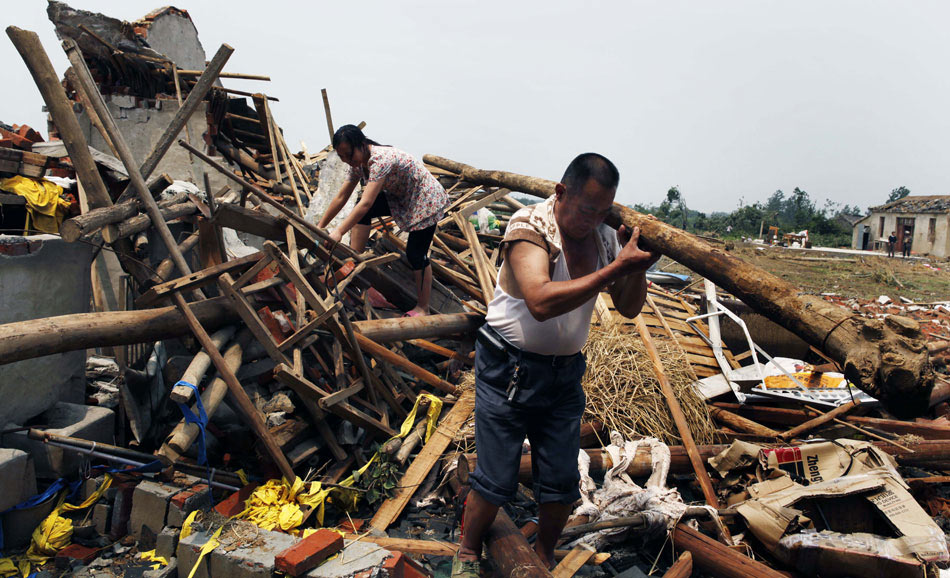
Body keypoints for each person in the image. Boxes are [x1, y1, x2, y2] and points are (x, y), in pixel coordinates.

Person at [452, 153, 659, 576]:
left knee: (562, 479)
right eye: (587, 210)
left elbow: (629, 307)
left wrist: (636, 269)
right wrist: (616, 267)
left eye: (603, 212)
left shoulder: (602, 237)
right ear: (561, 192)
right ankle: (468, 552)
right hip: (507, 367)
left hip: (564, 372)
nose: (593, 220)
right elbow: (541, 302)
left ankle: (544, 555)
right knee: (496, 476)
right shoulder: (529, 227)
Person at [317, 125, 448, 316]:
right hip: (402, 196)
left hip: (425, 198)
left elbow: (366, 202)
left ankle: (423, 307)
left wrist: (338, 232)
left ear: (361, 145)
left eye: (348, 154)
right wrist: (321, 226)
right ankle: (355, 261)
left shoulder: (380, 160)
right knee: (365, 211)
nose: (346, 160)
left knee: (416, 254)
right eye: (342, 157)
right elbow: (342, 196)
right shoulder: (357, 163)